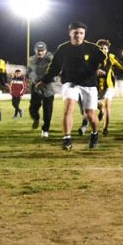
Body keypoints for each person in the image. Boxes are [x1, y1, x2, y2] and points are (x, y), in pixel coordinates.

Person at [38, 22, 107, 151]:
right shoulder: (63, 48)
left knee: (90, 114)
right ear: (70, 33)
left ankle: (94, 133)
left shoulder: (92, 48)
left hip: (89, 84)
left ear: (84, 34)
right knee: (69, 107)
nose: (78, 36)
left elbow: (103, 60)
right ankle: (67, 138)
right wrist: (45, 80)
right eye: (76, 33)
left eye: (81, 33)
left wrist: (99, 69)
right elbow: (54, 67)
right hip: (70, 83)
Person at [91, 39, 123, 135]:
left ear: (108, 49)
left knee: (107, 104)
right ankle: (101, 111)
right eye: (101, 48)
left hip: (109, 86)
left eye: (105, 48)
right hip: (96, 87)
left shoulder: (111, 57)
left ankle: (105, 128)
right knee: (97, 106)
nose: (103, 50)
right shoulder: (92, 58)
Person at [27, 41, 55, 138]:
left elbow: (55, 70)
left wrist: (44, 81)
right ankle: (36, 118)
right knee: (32, 108)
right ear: (35, 50)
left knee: (47, 110)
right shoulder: (31, 59)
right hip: (35, 87)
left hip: (48, 87)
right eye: (38, 50)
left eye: (42, 50)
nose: (40, 52)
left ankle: (45, 129)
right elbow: (29, 71)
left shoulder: (51, 59)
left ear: (46, 50)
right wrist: (32, 80)